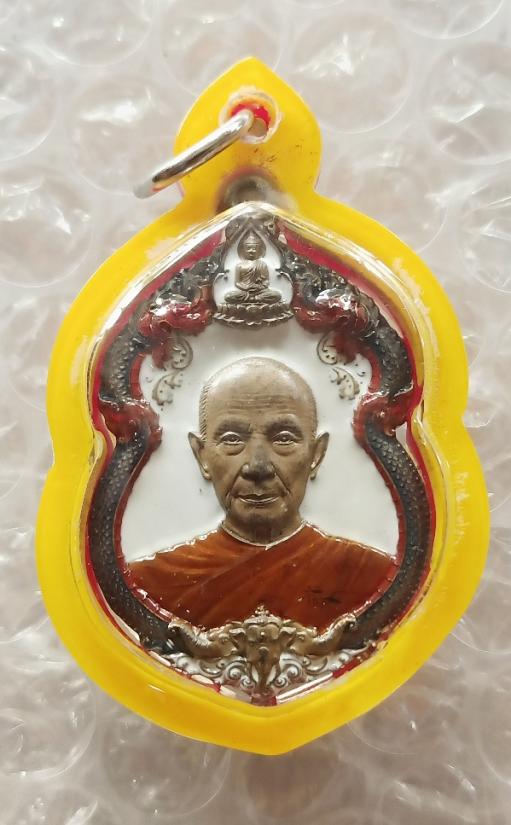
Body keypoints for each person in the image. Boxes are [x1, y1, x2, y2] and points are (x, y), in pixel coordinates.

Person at [127, 357, 397, 631]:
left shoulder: (368, 577)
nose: (258, 467)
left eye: (284, 438)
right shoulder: (152, 583)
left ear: (317, 455)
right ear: (202, 456)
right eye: (232, 439)